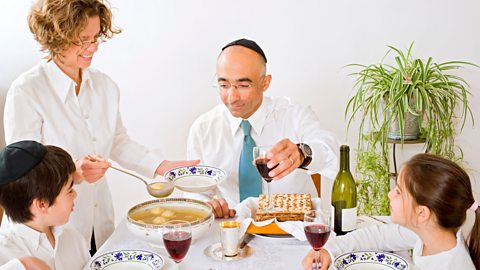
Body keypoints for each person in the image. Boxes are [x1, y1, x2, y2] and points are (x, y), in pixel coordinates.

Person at [2, 0, 199, 255]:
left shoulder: (105, 87)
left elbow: (118, 141)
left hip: (98, 221)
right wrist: (74, 171)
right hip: (47, 234)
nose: (93, 47)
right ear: (55, 36)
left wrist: (162, 167)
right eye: (83, 39)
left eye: (96, 37)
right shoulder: (27, 92)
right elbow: (23, 176)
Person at [187, 38, 339, 218]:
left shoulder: (294, 115)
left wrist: (302, 154)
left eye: (243, 85)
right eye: (224, 85)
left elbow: (333, 153)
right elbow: (196, 192)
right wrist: (208, 206)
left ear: (265, 83)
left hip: (293, 234)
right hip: (234, 231)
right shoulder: (203, 129)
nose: (232, 96)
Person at [301, 153, 480, 270]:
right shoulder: (427, 233)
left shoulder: (454, 265)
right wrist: (329, 251)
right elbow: (378, 236)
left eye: (399, 191)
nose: (390, 194)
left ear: (422, 213)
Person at [0, 141, 90, 270]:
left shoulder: (73, 239)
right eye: (69, 191)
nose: (75, 195)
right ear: (42, 204)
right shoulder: (4, 255)